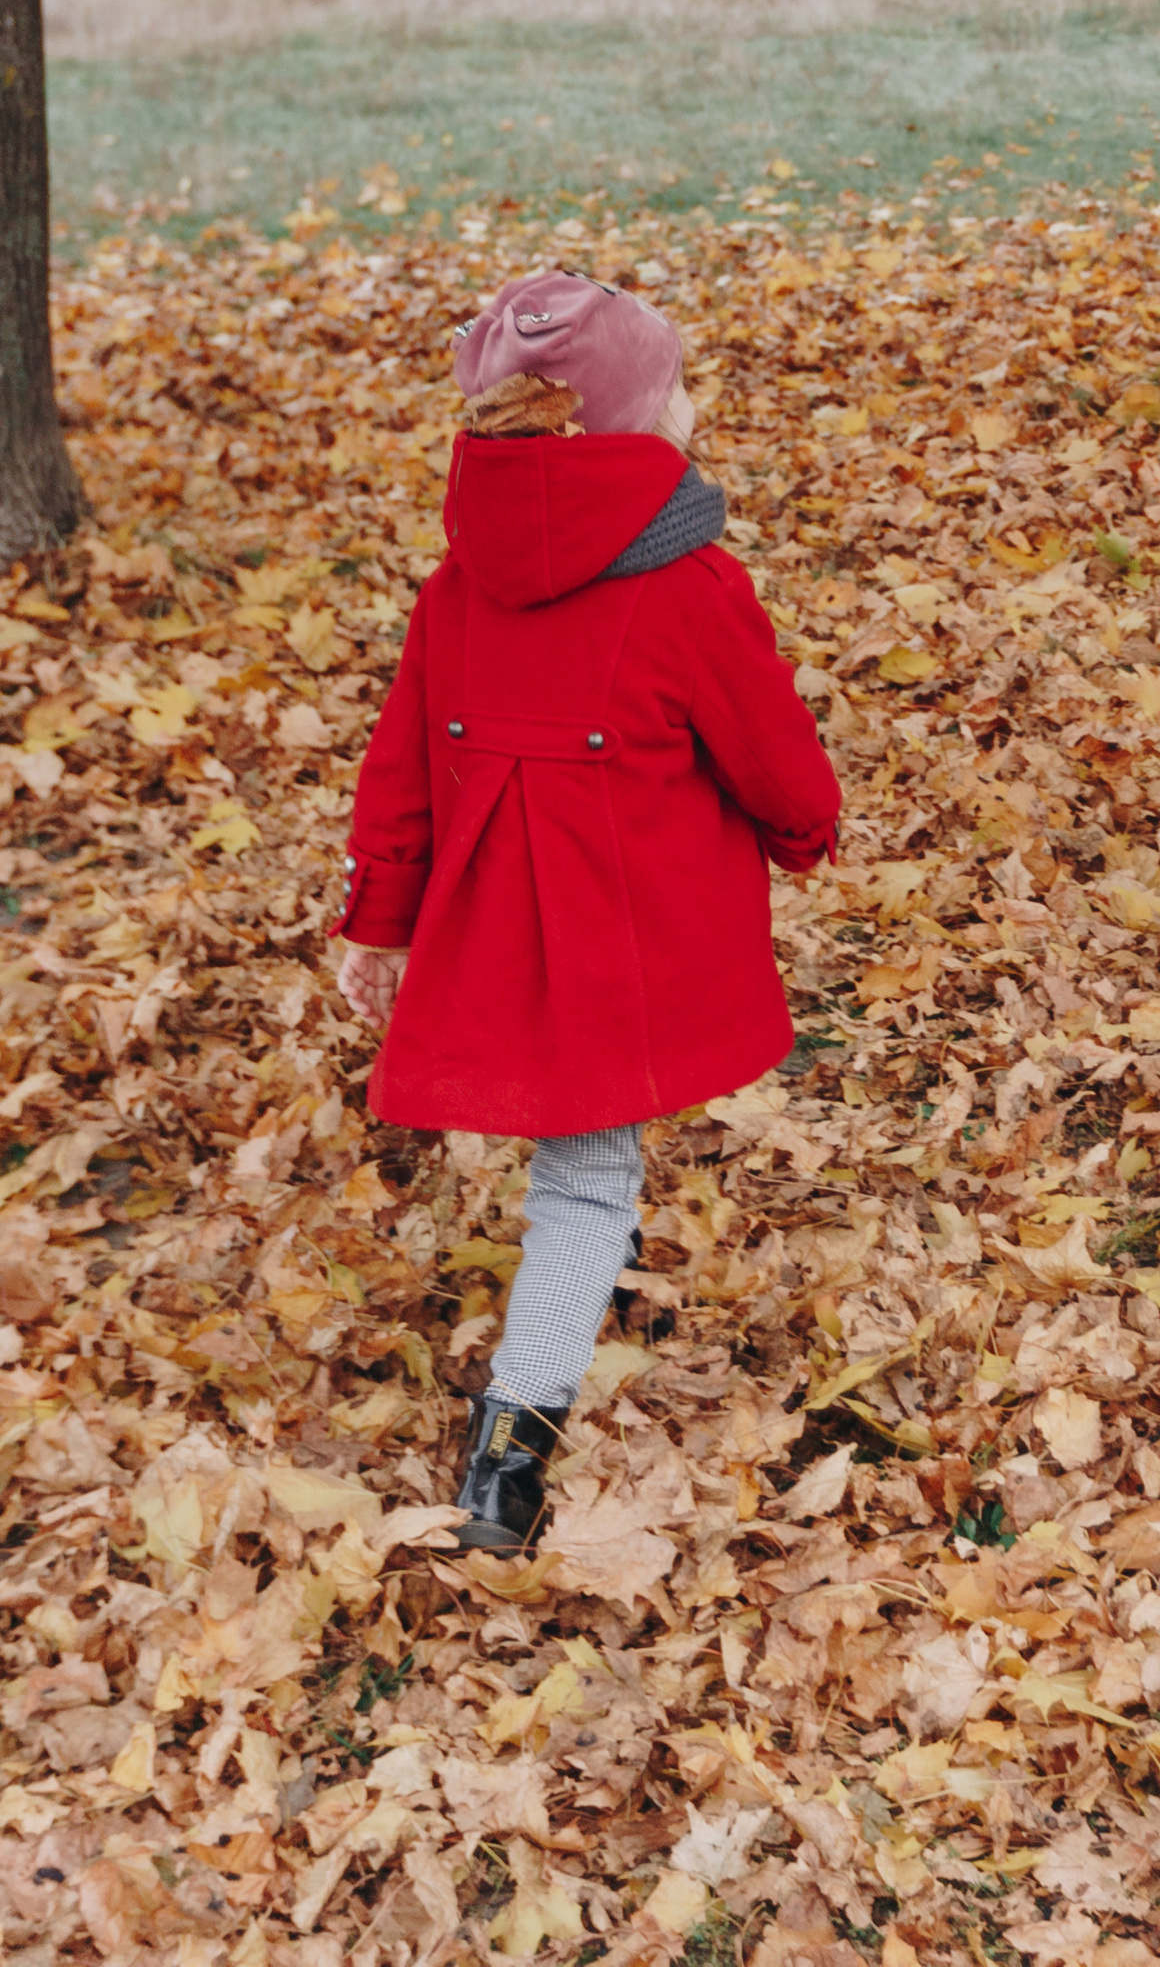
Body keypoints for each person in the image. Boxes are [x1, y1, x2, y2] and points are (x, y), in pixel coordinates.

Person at [331, 268, 840, 1551]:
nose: (690, 409)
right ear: (630, 424)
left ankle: (558, 1345)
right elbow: (772, 751)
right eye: (676, 392)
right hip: (616, 950)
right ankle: (514, 1438)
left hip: (493, 939)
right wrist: (804, 831)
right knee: (587, 1177)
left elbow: (396, 771)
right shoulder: (690, 585)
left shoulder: (454, 590)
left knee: (583, 1167)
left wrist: (381, 922)